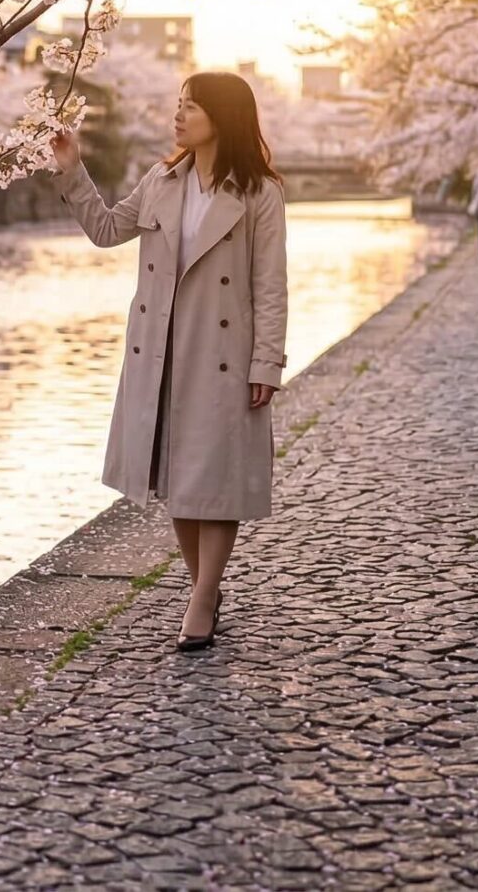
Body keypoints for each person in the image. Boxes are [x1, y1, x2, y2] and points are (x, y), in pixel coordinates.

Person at [46, 71, 287, 653]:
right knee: (177, 479)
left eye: (192, 108)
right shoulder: (162, 180)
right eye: (178, 105)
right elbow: (105, 230)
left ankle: (203, 597)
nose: (179, 117)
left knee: (216, 480)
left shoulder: (259, 193)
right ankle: (202, 586)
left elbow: (271, 285)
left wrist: (266, 365)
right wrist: (71, 167)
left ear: (222, 117)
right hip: (161, 347)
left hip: (224, 353)